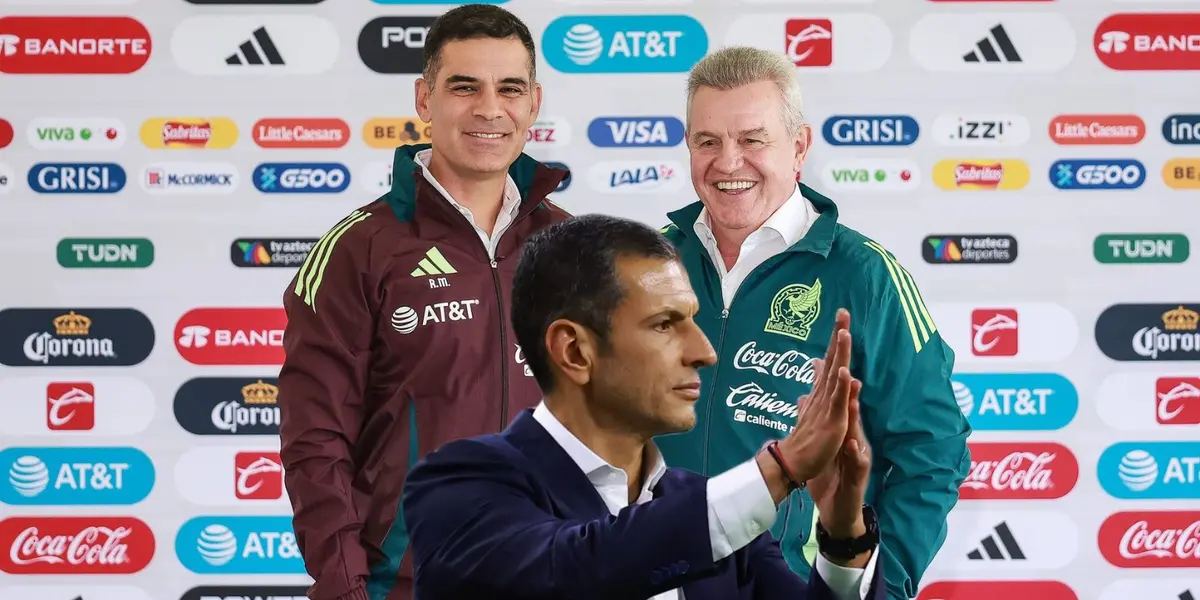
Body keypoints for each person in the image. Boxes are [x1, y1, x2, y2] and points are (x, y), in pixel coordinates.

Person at [401, 214, 886, 600]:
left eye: (693, 320)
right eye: (663, 324)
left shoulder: (710, 508)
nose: (704, 352)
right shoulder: (457, 485)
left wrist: (845, 537)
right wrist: (779, 470)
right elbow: (576, 569)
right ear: (574, 351)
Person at [655, 46, 971, 600]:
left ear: (798, 147)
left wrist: (877, 585)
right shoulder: (648, 266)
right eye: (708, 141)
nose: (729, 162)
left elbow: (934, 449)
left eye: (753, 139)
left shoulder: (865, 275)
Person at [276, 5, 570, 600]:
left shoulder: (573, 246)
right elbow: (315, 440)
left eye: (509, 88)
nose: (490, 109)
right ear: (423, 98)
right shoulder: (360, 248)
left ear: (533, 104)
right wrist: (345, 588)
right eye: (465, 87)